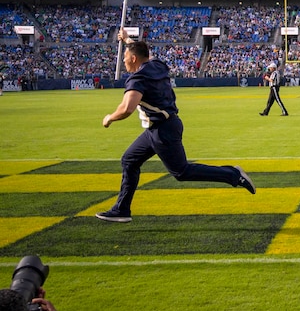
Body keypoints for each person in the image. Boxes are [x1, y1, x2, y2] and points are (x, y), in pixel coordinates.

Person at [97, 30, 256, 222]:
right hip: (158, 128)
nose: (123, 61)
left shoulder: (138, 79)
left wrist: (109, 118)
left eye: (124, 57)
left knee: (182, 172)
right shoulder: (156, 65)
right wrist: (128, 39)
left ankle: (233, 174)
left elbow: (127, 108)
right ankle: (122, 209)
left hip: (163, 131)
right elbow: (143, 54)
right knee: (129, 160)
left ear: (132, 58)